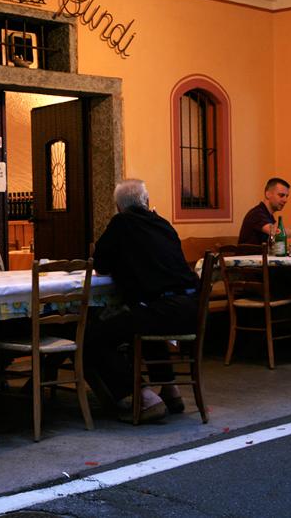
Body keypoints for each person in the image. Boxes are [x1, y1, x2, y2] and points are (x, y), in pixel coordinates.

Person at [88, 179, 198, 422]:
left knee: (92, 337)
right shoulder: (163, 224)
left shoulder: (121, 223)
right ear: (147, 201)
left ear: (118, 207)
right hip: (191, 309)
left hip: (163, 310)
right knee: (140, 319)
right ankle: (170, 390)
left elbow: (101, 265)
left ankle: (143, 397)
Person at [238, 177, 291, 245]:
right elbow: (276, 232)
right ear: (268, 194)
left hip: (261, 260)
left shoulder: (268, 215)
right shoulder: (256, 213)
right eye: (281, 195)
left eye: (287, 196)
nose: (285, 200)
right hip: (247, 261)